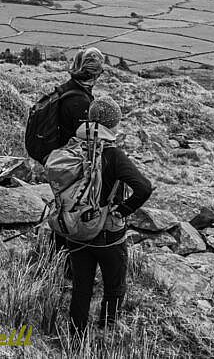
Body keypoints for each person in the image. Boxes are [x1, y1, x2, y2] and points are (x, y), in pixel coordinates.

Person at [66, 97, 153, 334]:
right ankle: (107, 330)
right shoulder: (114, 155)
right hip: (108, 234)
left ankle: (75, 339)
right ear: (112, 125)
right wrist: (122, 210)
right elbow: (144, 187)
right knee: (114, 287)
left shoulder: (72, 147)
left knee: (81, 287)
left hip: (75, 230)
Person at [55, 47, 105, 150]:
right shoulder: (80, 101)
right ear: (94, 75)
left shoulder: (66, 88)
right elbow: (83, 137)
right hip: (66, 155)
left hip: (57, 148)